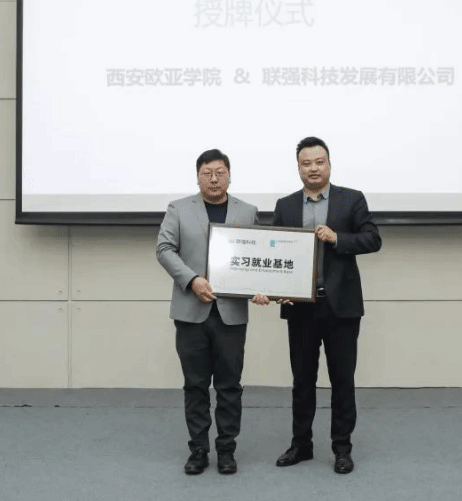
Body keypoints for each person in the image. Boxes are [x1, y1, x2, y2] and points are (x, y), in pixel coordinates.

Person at [272, 136, 381, 474]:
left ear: (329, 164)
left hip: (341, 307)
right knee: (302, 380)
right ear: (298, 168)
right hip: (301, 307)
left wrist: (337, 238)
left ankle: (342, 448)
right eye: (306, 163)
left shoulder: (351, 199)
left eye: (319, 162)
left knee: (342, 380)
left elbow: (373, 239)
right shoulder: (286, 205)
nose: (313, 168)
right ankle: (301, 444)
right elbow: (275, 253)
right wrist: (276, 290)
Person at [156, 149, 269, 476]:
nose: (214, 179)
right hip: (191, 312)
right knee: (195, 385)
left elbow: (258, 257)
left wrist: (261, 287)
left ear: (229, 176)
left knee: (229, 386)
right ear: (198, 177)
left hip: (231, 314)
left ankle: (227, 449)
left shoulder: (247, 212)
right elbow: (164, 249)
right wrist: (192, 280)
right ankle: (198, 450)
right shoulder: (178, 209)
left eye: (220, 172)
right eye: (207, 173)